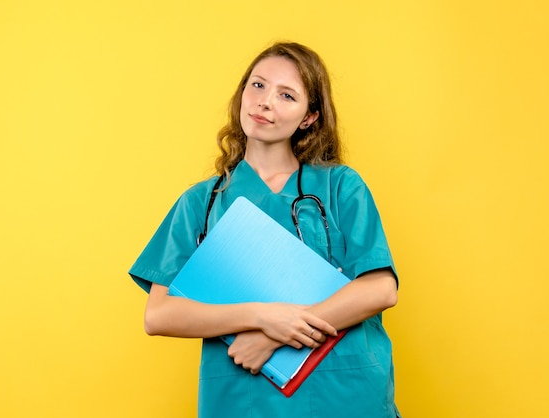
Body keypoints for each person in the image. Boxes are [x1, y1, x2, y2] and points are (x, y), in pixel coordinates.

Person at [129, 41, 401, 417]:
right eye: (257, 85)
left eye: (286, 95)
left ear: (310, 117)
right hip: (244, 399)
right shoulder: (200, 202)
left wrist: (270, 338)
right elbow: (159, 315)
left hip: (344, 394)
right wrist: (261, 317)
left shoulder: (340, 187)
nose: (265, 101)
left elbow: (380, 288)